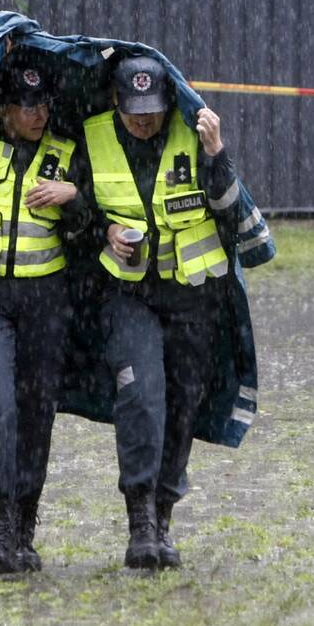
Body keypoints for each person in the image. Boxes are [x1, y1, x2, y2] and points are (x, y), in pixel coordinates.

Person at [75, 54, 240, 569]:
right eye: (133, 112)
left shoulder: (193, 134)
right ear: (116, 103)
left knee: (182, 406)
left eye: (153, 111)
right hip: (126, 296)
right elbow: (76, 210)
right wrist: (104, 229)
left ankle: (164, 513)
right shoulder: (92, 135)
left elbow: (231, 212)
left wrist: (216, 152)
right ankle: (140, 520)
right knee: (141, 398)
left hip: (191, 297)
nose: (144, 121)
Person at [0, 50, 81, 574]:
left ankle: (25, 528)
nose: (38, 114)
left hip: (45, 305)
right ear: (4, 108)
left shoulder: (68, 153)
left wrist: (74, 198)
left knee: (35, 417)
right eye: (27, 105)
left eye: (43, 104)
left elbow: (91, 230)